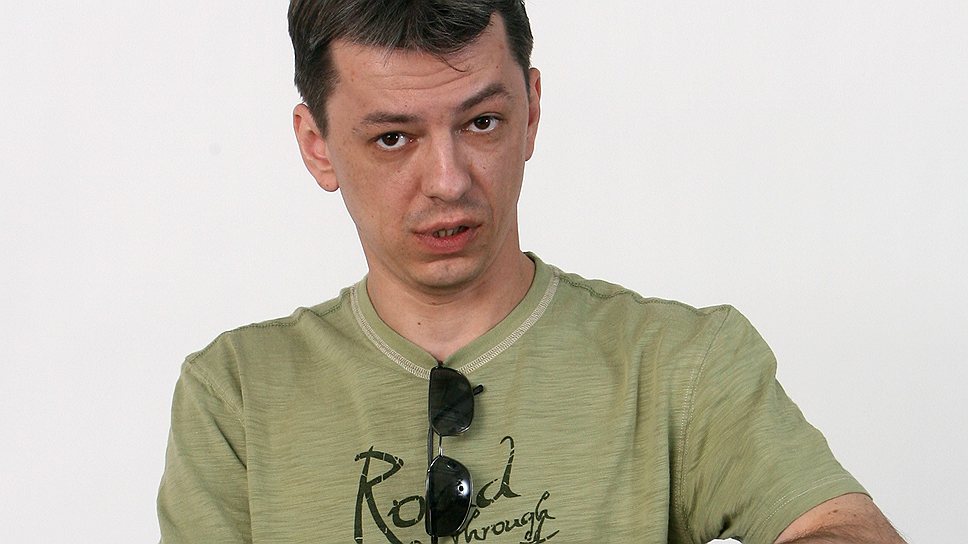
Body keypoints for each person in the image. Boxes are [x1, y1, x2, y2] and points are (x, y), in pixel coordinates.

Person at [157, 1, 906, 543]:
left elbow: (846, 526)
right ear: (317, 145)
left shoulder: (682, 363)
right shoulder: (236, 394)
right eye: (393, 138)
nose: (448, 180)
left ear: (532, 110)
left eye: (481, 123)